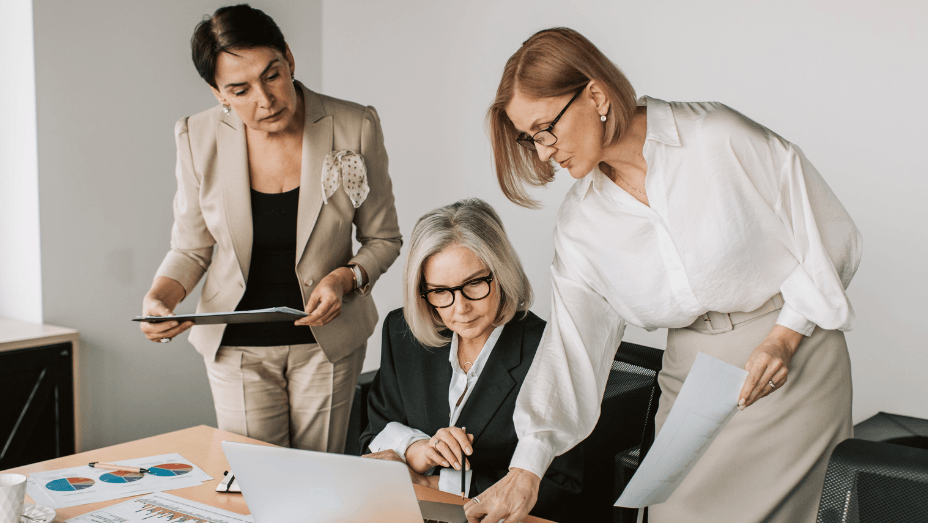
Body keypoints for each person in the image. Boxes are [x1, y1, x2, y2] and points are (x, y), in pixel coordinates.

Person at [466, 27, 862, 523]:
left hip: (795, 363)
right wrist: (527, 468)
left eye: (546, 129)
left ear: (594, 94)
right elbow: (572, 346)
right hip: (696, 378)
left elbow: (830, 233)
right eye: (531, 138)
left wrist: (784, 338)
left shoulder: (718, 136)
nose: (543, 151)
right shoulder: (580, 224)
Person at [138, 4, 402, 453]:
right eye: (240, 90)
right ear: (218, 92)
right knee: (256, 483)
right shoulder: (195, 136)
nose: (265, 99)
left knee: (321, 482)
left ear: (289, 58)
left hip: (327, 341)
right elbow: (191, 246)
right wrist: (162, 296)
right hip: (235, 348)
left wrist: (345, 277)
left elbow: (383, 239)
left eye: (272, 75)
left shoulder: (355, 125)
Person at [360, 199, 582, 521]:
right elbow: (372, 435)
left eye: (475, 283)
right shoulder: (402, 331)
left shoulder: (547, 350)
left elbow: (562, 485)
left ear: (501, 271)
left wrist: (434, 482)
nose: (459, 308)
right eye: (440, 291)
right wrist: (415, 450)